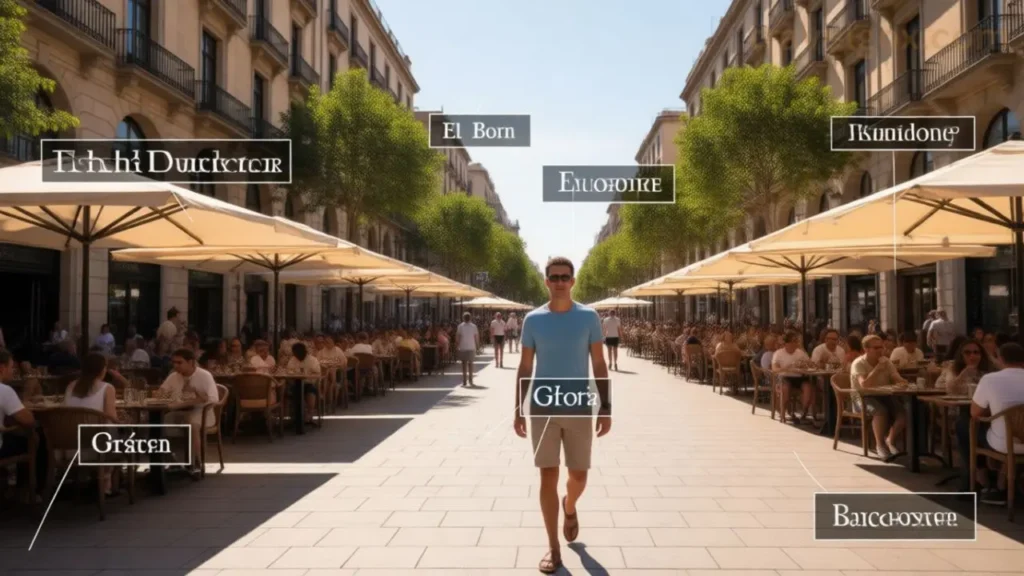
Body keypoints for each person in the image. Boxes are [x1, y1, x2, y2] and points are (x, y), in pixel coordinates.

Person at [514, 256, 610, 574]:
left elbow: (598, 363)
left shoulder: (589, 317)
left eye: (564, 277)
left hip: (579, 405)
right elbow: (526, 366)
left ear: (573, 280)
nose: (558, 282)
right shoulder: (533, 320)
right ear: (546, 281)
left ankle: (570, 505)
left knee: (579, 475)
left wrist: (605, 407)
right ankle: (553, 549)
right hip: (543, 408)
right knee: (547, 475)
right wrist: (519, 407)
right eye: (553, 277)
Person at [961, 342, 1024, 505]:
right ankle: (1001, 480)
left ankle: (981, 478)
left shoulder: (990, 379)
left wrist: (996, 411)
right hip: (1017, 439)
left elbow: (975, 413)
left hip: (1005, 444)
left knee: (966, 426)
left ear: (1001, 359)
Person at [63, 352, 119, 494]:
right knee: (120, 434)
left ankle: (96, 477)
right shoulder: (107, 388)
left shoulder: (71, 386)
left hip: (69, 444)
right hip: (96, 446)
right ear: (102, 369)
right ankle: (106, 477)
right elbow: (111, 416)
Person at [159, 348, 219, 475]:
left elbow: (213, 399)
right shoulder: (173, 376)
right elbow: (161, 392)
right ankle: (172, 461)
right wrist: (163, 394)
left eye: (179, 363)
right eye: (174, 362)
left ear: (191, 362)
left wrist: (194, 399)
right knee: (157, 424)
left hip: (202, 412)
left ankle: (197, 463)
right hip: (179, 411)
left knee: (192, 425)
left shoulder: (204, 375)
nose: (175, 366)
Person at [850, 334, 907, 460]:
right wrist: (877, 369)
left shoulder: (886, 361)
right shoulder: (858, 363)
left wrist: (903, 383)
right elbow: (864, 385)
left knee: (904, 413)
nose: (880, 350)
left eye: (881, 347)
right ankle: (880, 445)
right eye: (876, 348)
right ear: (866, 349)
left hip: (884, 395)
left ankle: (890, 441)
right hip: (863, 397)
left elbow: (896, 378)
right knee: (880, 411)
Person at [0, 350, 45, 496]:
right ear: (2, 368)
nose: (13, 371)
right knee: (38, 436)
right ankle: (36, 490)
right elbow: (28, 420)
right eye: (12, 367)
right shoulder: (4, 390)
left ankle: (20, 486)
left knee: (19, 436)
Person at [771, 331, 816, 424]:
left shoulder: (800, 353)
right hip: (785, 376)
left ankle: (804, 413)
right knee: (785, 389)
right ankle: (783, 413)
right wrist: (787, 368)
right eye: (792, 342)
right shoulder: (779, 353)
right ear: (786, 343)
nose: (794, 344)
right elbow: (774, 368)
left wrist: (805, 366)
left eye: (796, 342)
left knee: (808, 388)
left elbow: (810, 364)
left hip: (799, 377)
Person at [286, 342, 321, 427]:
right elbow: (289, 371)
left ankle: (310, 414)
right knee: (291, 391)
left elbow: (317, 373)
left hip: (309, 383)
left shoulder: (313, 360)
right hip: (295, 383)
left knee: (310, 391)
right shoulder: (292, 360)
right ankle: (295, 416)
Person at [456, 312, 480, 387]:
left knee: (464, 364)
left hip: (463, 347)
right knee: (470, 364)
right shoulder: (474, 326)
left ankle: (464, 381)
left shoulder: (460, 326)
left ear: (463, 318)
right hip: (471, 347)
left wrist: (457, 345)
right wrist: (478, 345)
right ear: (470, 318)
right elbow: (476, 337)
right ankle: (470, 380)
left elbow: (458, 337)